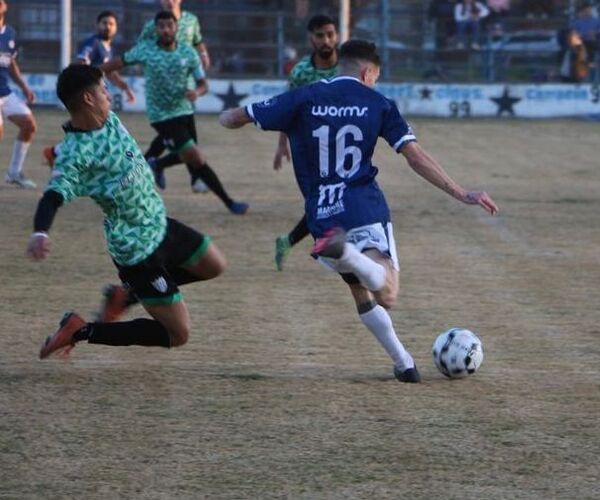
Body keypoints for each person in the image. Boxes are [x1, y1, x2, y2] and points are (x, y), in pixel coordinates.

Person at [219, 40, 498, 383]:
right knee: (388, 292)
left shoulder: (303, 97)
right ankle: (349, 255)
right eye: (375, 78)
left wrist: (227, 117)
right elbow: (415, 156)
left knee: (360, 290)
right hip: (361, 205)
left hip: (322, 212)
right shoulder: (377, 103)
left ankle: (403, 363)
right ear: (368, 73)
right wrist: (460, 192)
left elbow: (234, 118)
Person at [29, 64, 227, 359]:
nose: (108, 93)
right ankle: (80, 330)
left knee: (214, 265)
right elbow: (52, 197)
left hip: (159, 224)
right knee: (178, 334)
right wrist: (40, 231)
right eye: (103, 89)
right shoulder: (76, 153)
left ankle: (126, 296)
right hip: (137, 251)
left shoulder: (108, 119)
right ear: (88, 99)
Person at [100, 11, 248, 215]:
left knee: (194, 160)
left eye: (169, 26)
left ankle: (156, 164)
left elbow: (203, 84)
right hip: (161, 115)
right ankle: (230, 202)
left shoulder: (188, 53)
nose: (166, 30)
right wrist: (92, 75)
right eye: (161, 26)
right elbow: (114, 64)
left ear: (176, 28)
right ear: (156, 29)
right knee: (196, 156)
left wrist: (196, 92)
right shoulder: (146, 50)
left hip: (184, 111)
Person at [274, 14, 339, 271]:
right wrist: (282, 144)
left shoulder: (347, 67)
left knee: (329, 203)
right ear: (311, 39)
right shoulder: (301, 72)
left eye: (330, 34)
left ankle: (291, 241)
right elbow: (289, 110)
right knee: (322, 203)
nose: (326, 40)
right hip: (309, 150)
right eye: (320, 35)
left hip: (340, 148)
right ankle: (326, 248)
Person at [43, 10, 135, 169]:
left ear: (116, 28)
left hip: (97, 96)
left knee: (95, 131)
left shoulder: (107, 47)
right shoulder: (93, 43)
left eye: (111, 24)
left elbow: (108, 71)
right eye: (104, 23)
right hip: (90, 97)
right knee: (106, 128)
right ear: (97, 25)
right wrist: (86, 87)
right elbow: (81, 64)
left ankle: (57, 153)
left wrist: (124, 87)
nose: (108, 26)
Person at [139, 0, 211, 193]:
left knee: (181, 137)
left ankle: (149, 166)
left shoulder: (191, 20)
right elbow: (141, 49)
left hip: (186, 88)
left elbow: (197, 41)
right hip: (162, 90)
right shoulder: (150, 27)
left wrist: (203, 53)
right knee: (180, 138)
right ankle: (193, 178)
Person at [0, 0, 37, 189]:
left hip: (5, 93)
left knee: (29, 125)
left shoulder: (10, 34)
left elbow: (12, 64)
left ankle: (14, 173)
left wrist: (24, 87)